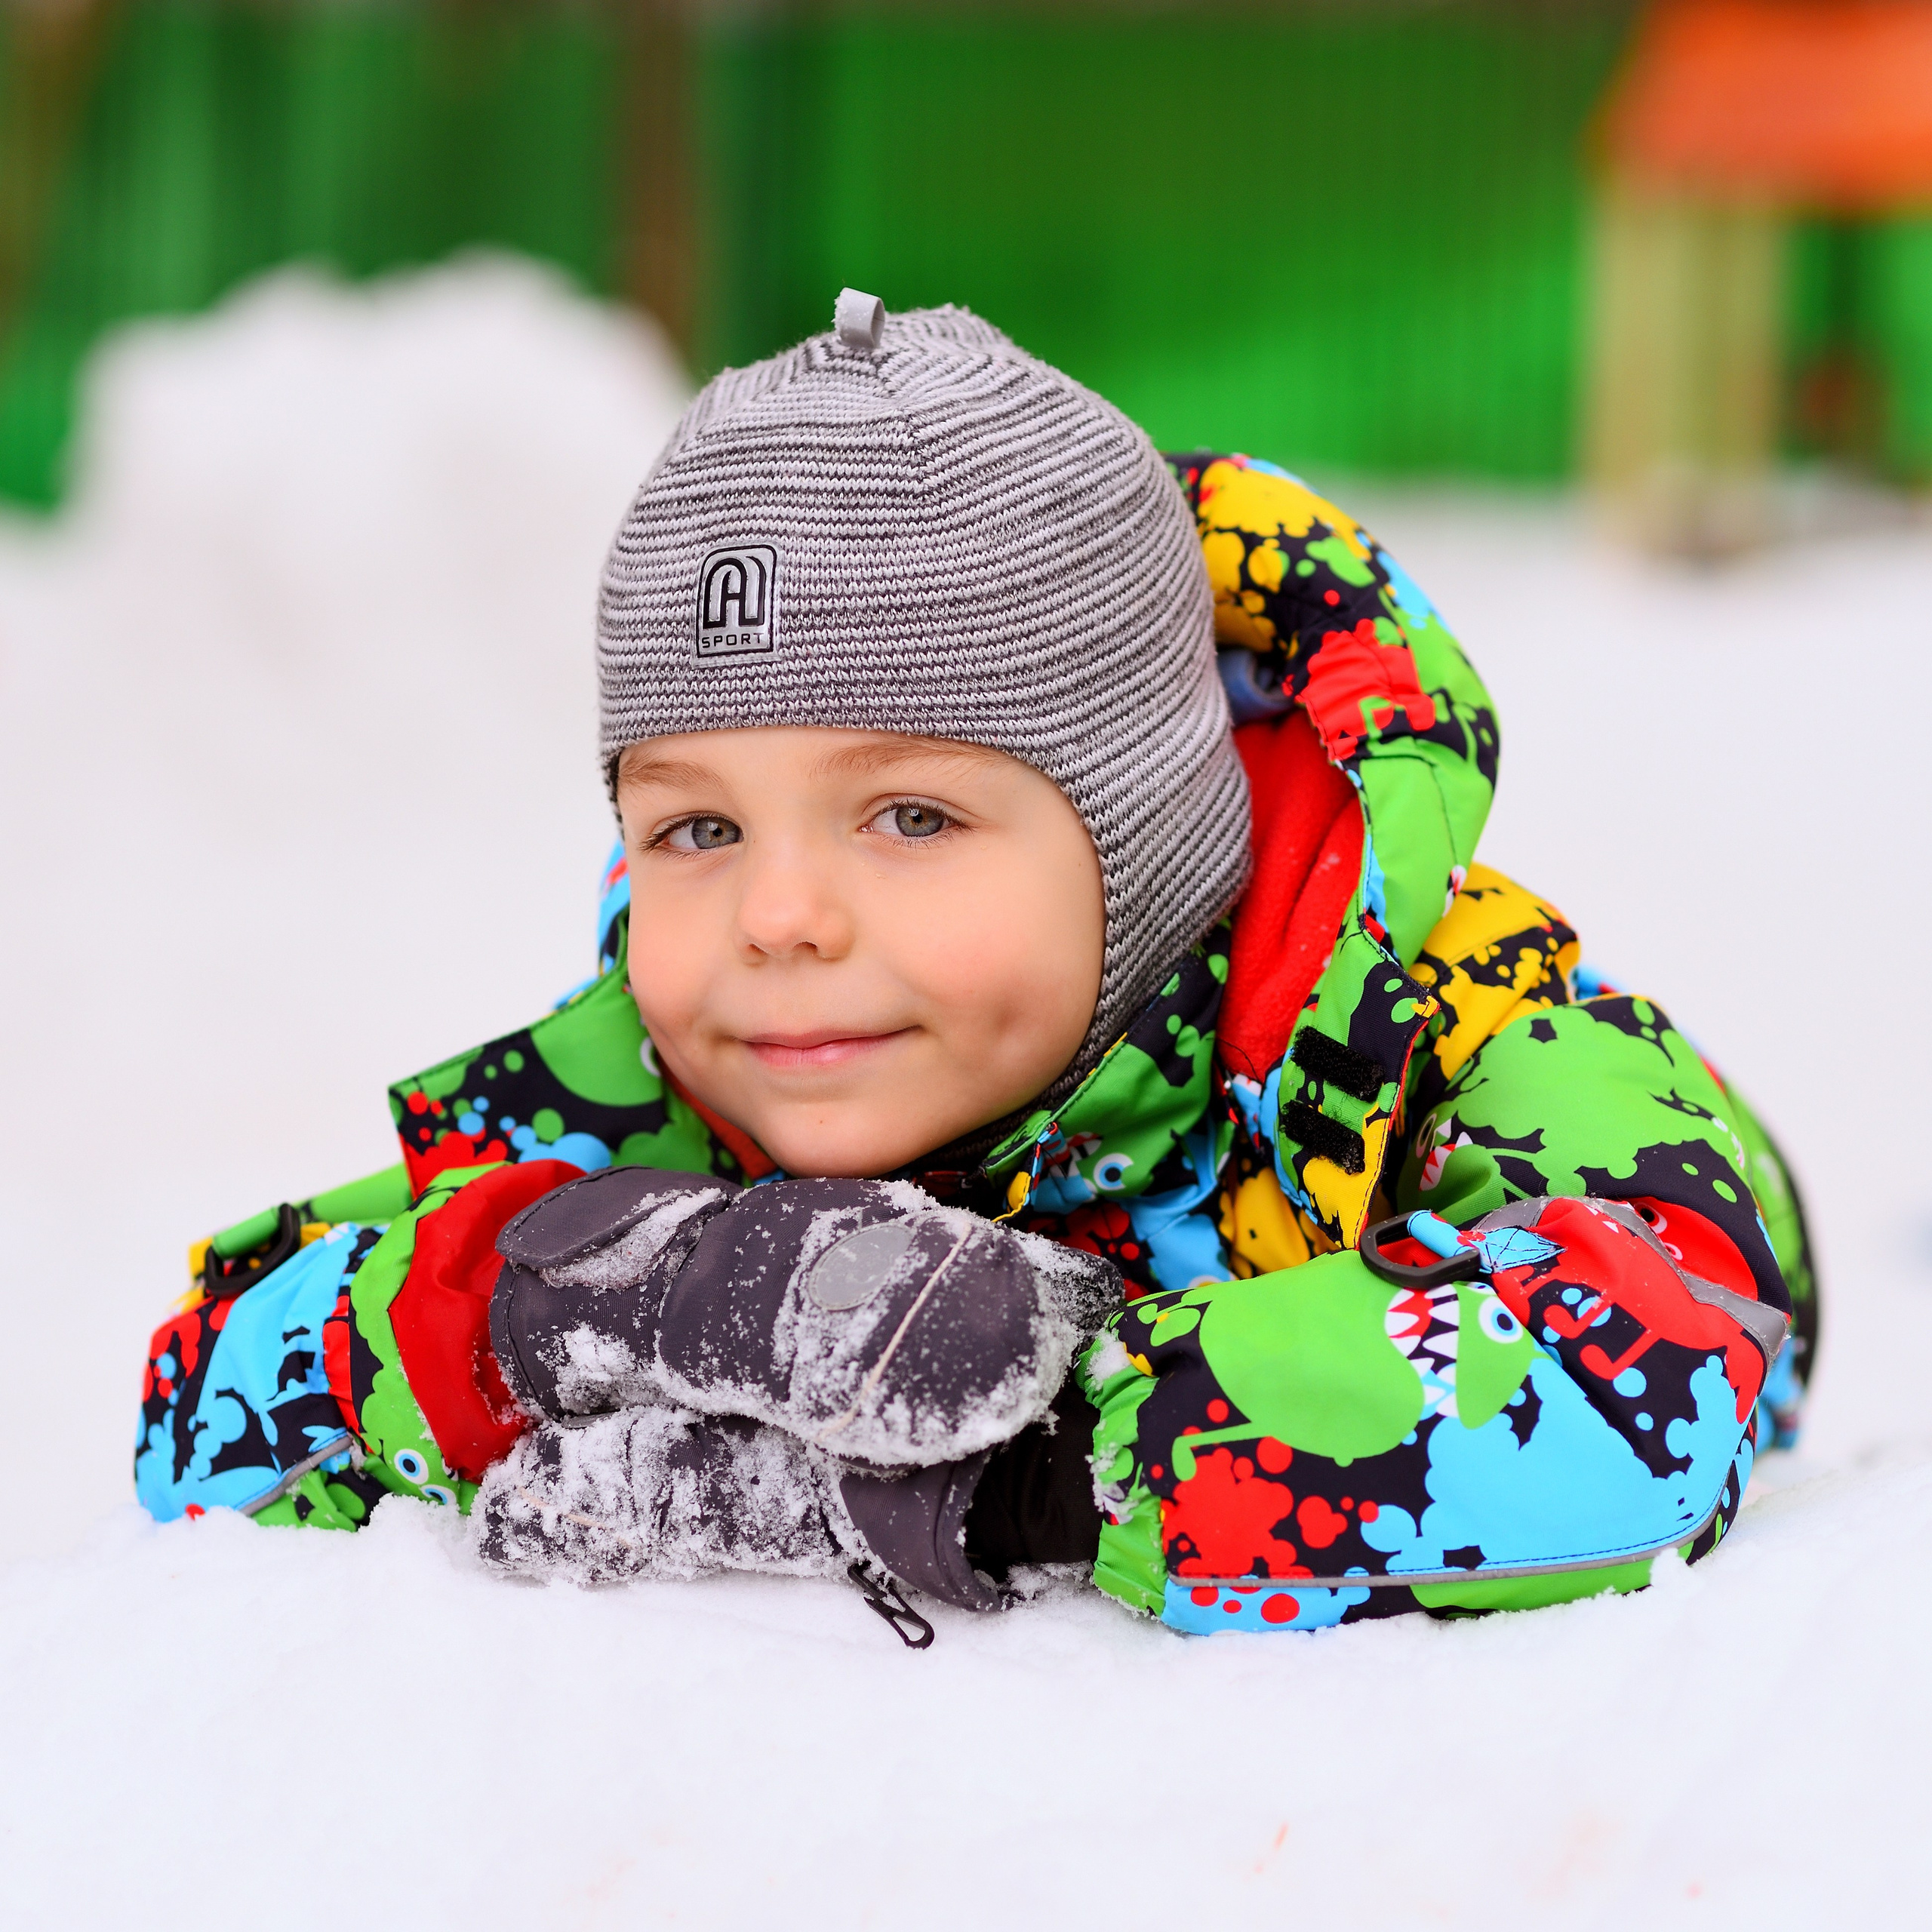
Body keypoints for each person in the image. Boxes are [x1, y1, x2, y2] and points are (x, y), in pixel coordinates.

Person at [134, 294, 1818, 1637]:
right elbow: (205, 1390)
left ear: (1147, 837)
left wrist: (1016, 1458)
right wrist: (570, 1300)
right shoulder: (664, 1084)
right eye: (698, 830)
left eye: (911, 815)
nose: (778, 917)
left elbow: (1636, 1374)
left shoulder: (1438, 1026)